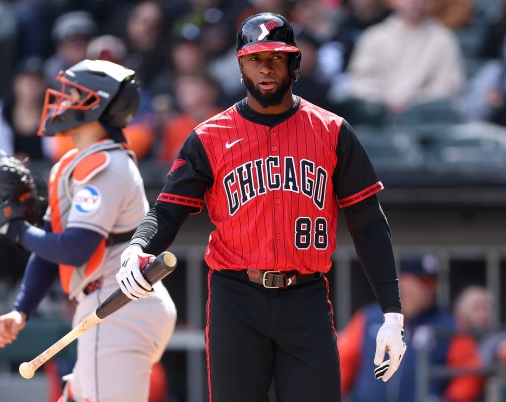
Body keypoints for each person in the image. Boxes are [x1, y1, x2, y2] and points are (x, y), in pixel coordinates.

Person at [116, 12, 406, 402]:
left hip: (305, 298)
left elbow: (369, 224)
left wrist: (392, 314)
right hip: (236, 298)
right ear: (240, 66)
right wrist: (137, 247)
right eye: (255, 59)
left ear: (295, 64)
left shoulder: (333, 131)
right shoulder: (209, 136)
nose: (266, 68)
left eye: (276, 57)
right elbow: (168, 211)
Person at [0, 59, 177, 402]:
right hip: (108, 306)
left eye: (72, 94)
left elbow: (75, 248)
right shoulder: (75, 162)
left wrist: (14, 229)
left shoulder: (106, 165)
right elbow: (50, 248)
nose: (61, 101)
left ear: (98, 102)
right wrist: (22, 310)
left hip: (119, 306)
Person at [338, 253, 485, 402]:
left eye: (433, 282)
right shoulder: (369, 318)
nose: (430, 288)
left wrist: (449, 399)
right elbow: (342, 364)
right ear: (402, 281)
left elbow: (470, 373)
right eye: (423, 281)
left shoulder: (451, 324)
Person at [344, 0, 465, 118]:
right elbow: (360, 81)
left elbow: (448, 85)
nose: (416, 2)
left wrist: (412, 103)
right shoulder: (374, 37)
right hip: (379, 118)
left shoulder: (443, 39)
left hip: (426, 121)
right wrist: (385, 101)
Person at [0, 56, 58, 163]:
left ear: (44, 85)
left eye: (37, 82)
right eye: (26, 81)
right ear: (15, 83)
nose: (31, 87)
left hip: (47, 176)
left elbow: (62, 155)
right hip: (2, 177)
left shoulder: (56, 111)